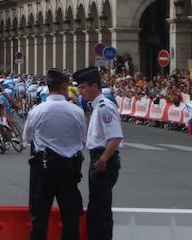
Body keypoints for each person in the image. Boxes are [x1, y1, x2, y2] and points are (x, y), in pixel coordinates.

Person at [22, 68, 86, 240]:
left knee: (39, 217)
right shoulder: (77, 111)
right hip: (69, 169)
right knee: (71, 218)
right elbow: (83, 138)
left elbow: (27, 138)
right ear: (64, 87)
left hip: (43, 168)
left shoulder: (37, 111)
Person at [75, 66, 123, 240]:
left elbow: (116, 137)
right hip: (98, 158)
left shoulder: (104, 107)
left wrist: (103, 159)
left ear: (94, 86)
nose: (80, 91)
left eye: (83, 87)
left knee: (99, 211)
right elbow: (100, 138)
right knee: (96, 208)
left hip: (103, 162)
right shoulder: (96, 107)